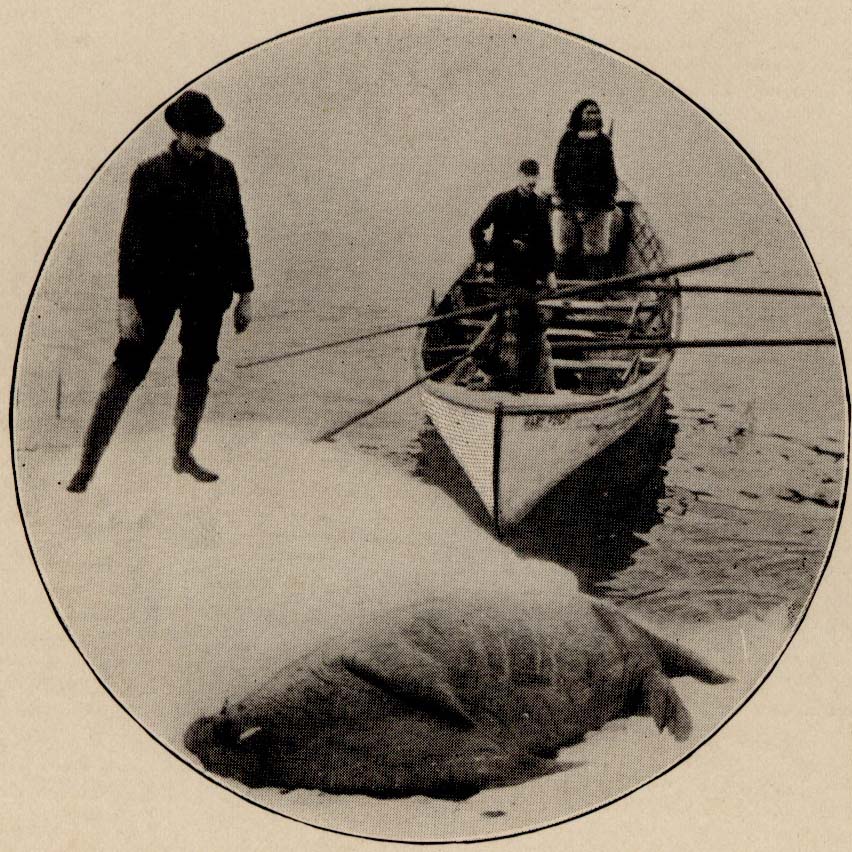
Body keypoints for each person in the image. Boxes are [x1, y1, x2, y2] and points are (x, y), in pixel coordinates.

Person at [66, 90, 254, 493]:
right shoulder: (150, 173)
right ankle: (86, 466)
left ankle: (183, 455)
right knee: (126, 369)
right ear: (178, 131)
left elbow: (237, 234)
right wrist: (126, 301)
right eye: (195, 134)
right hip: (156, 288)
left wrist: (246, 294)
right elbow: (130, 241)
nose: (203, 143)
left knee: (198, 370)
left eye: (208, 135)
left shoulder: (225, 171)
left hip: (209, 289)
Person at [468, 159, 555, 394]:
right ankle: (507, 379)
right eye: (527, 175)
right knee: (512, 320)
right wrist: (484, 257)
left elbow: (547, 244)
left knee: (533, 325)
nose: (531, 181)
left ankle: (526, 379)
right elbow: (476, 229)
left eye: (534, 176)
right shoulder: (502, 201)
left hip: (530, 278)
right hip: (505, 276)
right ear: (518, 176)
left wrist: (550, 274)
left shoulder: (540, 206)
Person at [552, 99, 620, 273]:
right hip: (568, 206)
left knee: (596, 253)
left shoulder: (604, 141)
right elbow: (559, 174)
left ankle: (594, 294)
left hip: (597, 208)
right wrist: (568, 203)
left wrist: (604, 201)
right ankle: (562, 290)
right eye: (589, 112)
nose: (594, 115)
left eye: (597, 112)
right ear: (579, 115)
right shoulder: (568, 139)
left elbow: (610, 176)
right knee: (564, 250)